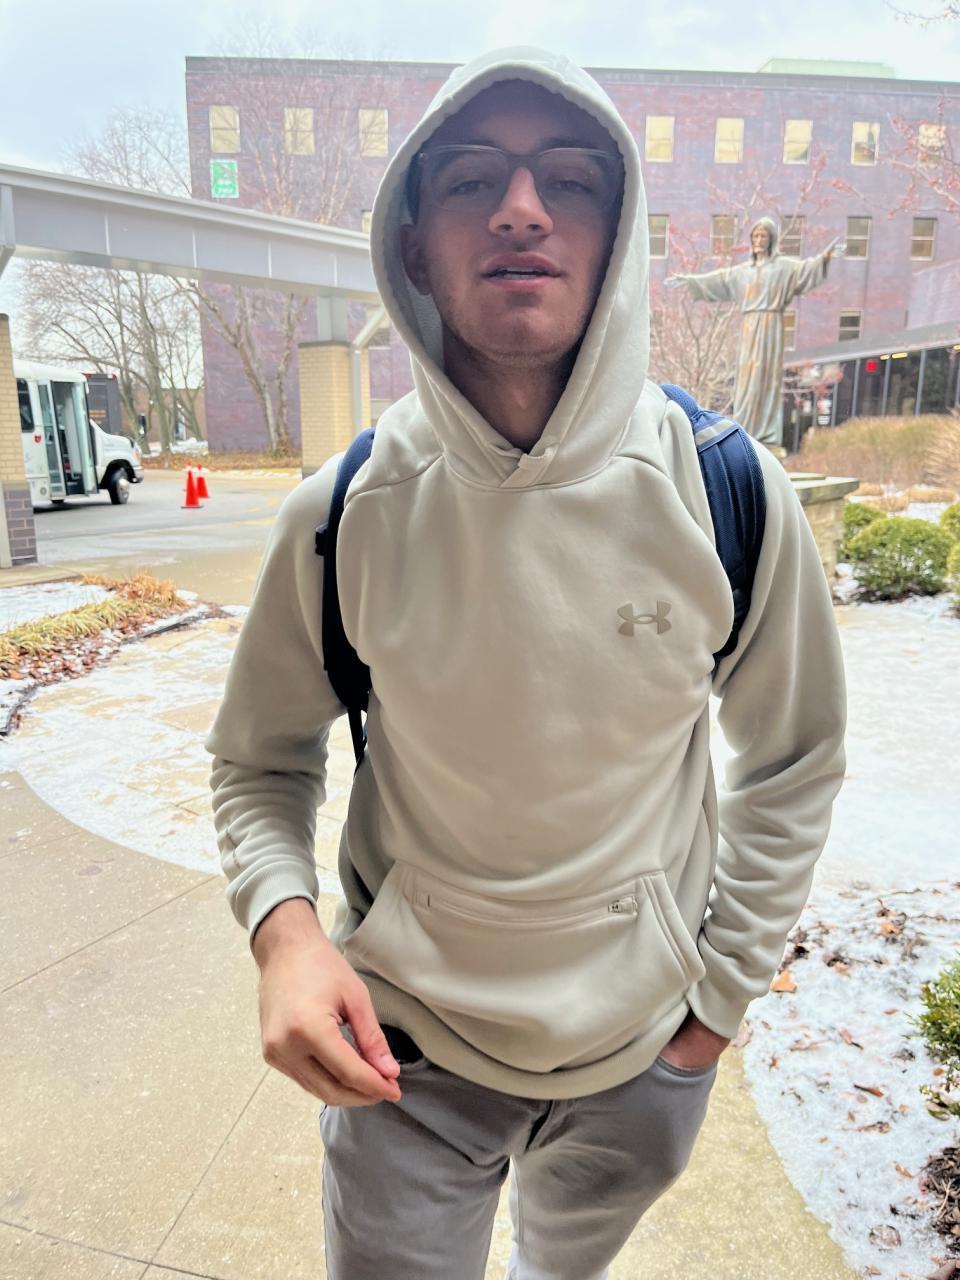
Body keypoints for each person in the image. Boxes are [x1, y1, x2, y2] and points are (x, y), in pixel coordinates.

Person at [205, 46, 847, 1280]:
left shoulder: (727, 492)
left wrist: (713, 1010)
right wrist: (285, 935)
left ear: (618, 237)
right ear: (411, 245)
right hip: (402, 1058)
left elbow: (796, 756)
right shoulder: (341, 517)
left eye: (568, 179)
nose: (520, 208)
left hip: (644, 1057)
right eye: (470, 179)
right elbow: (257, 758)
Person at [665, 217, 841, 449]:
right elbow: (718, 280)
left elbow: (806, 269)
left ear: (771, 239)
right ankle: (746, 428)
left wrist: (825, 258)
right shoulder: (743, 272)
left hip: (771, 327)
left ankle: (767, 434)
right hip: (750, 328)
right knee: (747, 380)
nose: (758, 240)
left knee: (767, 378)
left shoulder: (783, 267)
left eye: (763, 236)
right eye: (755, 236)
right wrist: (690, 281)